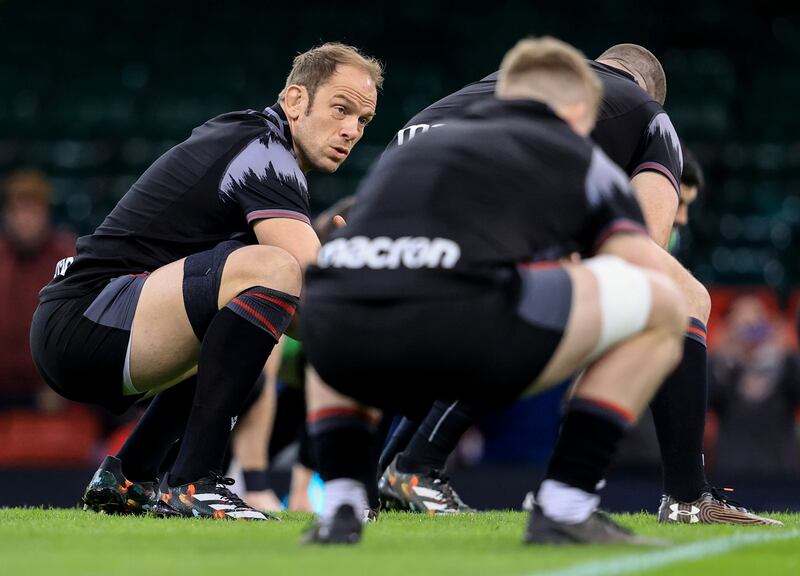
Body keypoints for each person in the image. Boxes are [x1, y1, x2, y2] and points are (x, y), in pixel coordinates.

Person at [300, 36, 688, 545]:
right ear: (579, 109)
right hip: (463, 328)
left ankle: (345, 503)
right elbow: (641, 262)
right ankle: (565, 504)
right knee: (665, 305)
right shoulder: (571, 150)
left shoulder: (419, 138)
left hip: (332, 329)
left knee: (351, 291)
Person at [377, 43, 779, 525]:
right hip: (481, 200)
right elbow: (644, 247)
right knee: (683, 296)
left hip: (387, 204)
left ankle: (397, 472)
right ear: (652, 92)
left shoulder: (514, 81)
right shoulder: (651, 117)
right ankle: (688, 497)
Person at [29, 42, 382, 520]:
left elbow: (300, 316)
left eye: (362, 121)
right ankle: (194, 481)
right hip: (89, 317)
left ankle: (129, 475)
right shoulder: (264, 151)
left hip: (89, 322)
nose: (350, 130)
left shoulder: (255, 142)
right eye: (340, 109)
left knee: (247, 327)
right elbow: (308, 293)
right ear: (295, 100)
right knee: (274, 269)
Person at [0, 169, 75, 409]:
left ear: (46, 213)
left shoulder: (66, 256)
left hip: (52, 390)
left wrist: (61, 384)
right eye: (18, 210)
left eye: (32, 210)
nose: (24, 219)